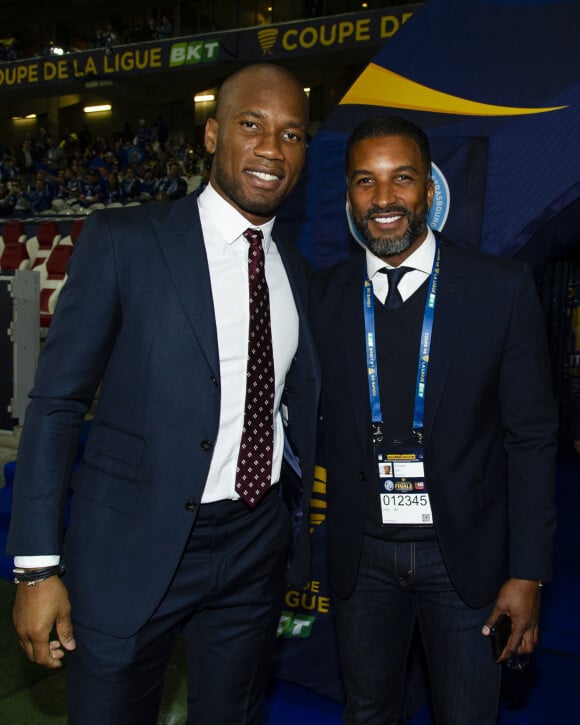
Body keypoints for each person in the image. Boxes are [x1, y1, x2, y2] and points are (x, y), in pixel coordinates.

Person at [7, 62, 320, 725]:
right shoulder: (125, 240)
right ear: (211, 135)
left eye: (292, 134)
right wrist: (36, 567)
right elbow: (57, 404)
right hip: (129, 546)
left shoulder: (300, 270)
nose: (271, 148)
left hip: (253, 545)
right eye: (251, 125)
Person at [310, 115, 557, 724]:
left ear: (429, 189)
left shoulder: (500, 288)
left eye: (402, 179)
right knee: (368, 712)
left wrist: (527, 574)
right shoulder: (322, 296)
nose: (384, 198)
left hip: (466, 562)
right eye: (366, 181)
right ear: (348, 196)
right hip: (361, 560)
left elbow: (531, 439)